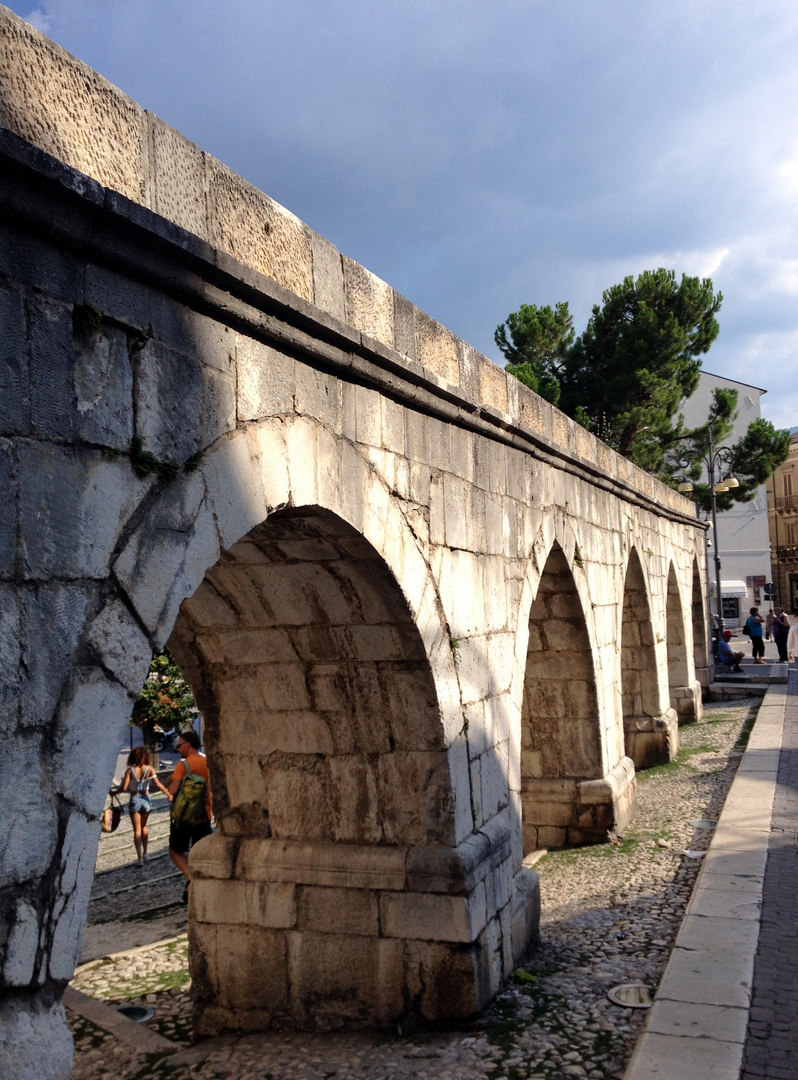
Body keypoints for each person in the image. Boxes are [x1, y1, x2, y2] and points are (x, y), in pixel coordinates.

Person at [168, 729, 212, 902]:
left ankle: (191, 878)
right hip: (204, 815)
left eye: (179, 746)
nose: (178, 750)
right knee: (200, 852)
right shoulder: (207, 762)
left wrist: (171, 781)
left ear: (187, 745)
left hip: (185, 817)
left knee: (175, 850)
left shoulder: (183, 766)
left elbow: (171, 792)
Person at [116, 747, 171, 866]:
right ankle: (146, 853)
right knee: (144, 827)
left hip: (135, 799)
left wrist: (114, 793)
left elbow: (124, 788)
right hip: (146, 800)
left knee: (137, 830)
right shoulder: (150, 769)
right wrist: (168, 794)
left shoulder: (130, 771)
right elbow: (158, 784)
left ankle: (139, 857)